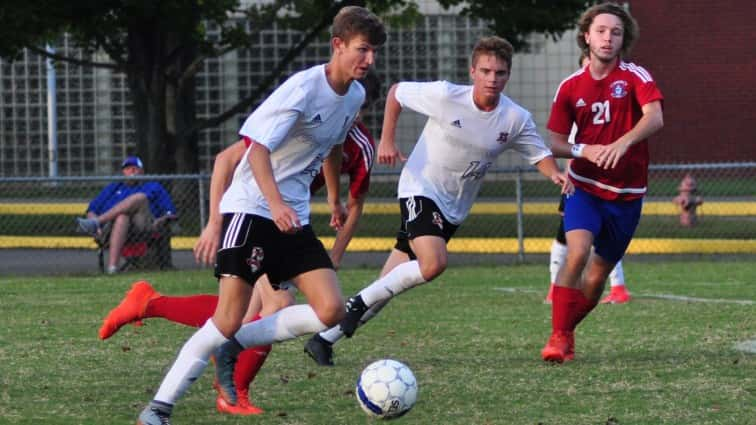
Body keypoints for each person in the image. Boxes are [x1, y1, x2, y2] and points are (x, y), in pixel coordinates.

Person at [135, 7, 386, 424]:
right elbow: (256, 151)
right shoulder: (302, 89)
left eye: (374, 51)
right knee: (227, 317)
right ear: (337, 45)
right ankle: (159, 407)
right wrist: (275, 204)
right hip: (253, 208)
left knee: (331, 311)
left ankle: (233, 346)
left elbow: (335, 147)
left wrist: (335, 199)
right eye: (362, 49)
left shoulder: (355, 95)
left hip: (293, 216)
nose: (369, 59)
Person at [304, 35, 569, 367]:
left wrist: (554, 175)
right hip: (420, 188)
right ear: (472, 71)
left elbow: (539, 154)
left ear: (507, 76)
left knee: (387, 286)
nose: (492, 79)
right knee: (433, 263)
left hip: (453, 208)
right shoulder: (446, 95)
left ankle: (324, 340)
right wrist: (387, 140)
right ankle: (354, 305)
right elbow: (396, 92)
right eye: (485, 70)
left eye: (499, 73)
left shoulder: (514, 118)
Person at [541, 2, 664, 363]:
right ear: (586, 36)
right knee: (576, 252)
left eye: (615, 32)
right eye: (601, 31)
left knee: (596, 279)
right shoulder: (569, 87)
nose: (607, 38)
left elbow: (655, 117)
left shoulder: (635, 77)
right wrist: (585, 150)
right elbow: (555, 141)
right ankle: (558, 338)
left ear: (623, 39)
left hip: (626, 197)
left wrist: (623, 142)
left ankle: (564, 332)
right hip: (585, 189)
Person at [545, 52, 631, 305]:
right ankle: (562, 290)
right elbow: (565, 145)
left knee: (584, 241)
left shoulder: (613, 102)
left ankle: (560, 290)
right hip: (579, 182)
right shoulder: (574, 96)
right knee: (574, 240)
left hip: (597, 185)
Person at [76, 156, 177, 274]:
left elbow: (170, 213)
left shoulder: (153, 186)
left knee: (140, 197)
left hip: (143, 226)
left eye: (135, 168)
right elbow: (91, 210)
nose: (132, 171)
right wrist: (94, 222)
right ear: (123, 172)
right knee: (122, 217)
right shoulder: (113, 187)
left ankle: (97, 222)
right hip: (112, 228)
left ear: (142, 171)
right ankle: (112, 269)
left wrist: (161, 220)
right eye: (128, 168)